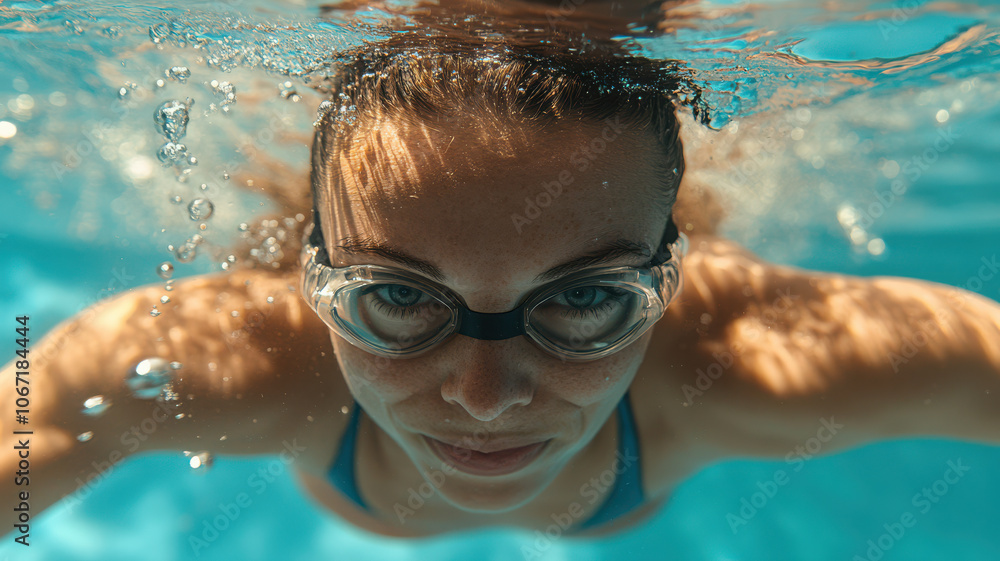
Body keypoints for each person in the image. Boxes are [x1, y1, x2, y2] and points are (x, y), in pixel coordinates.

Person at [3, 34, 1000, 541]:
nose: (485, 398)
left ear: (671, 275)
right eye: (395, 300)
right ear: (310, 278)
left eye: (583, 300)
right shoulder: (220, 359)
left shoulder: (755, 361)